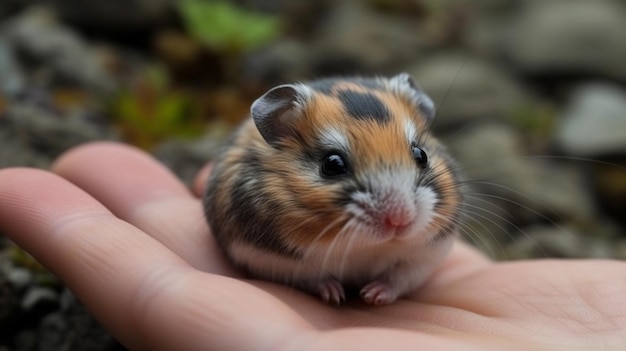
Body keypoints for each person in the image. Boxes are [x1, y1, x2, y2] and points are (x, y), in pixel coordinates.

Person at [0, 141, 624, 351]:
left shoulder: (436, 203)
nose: (400, 214)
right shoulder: (256, 204)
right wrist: (310, 279)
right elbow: (254, 255)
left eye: (415, 160)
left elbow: (430, 248)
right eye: (333, 165)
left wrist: (400, 281)